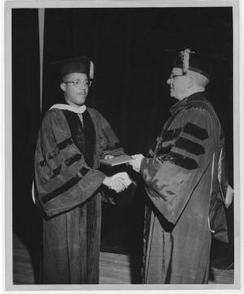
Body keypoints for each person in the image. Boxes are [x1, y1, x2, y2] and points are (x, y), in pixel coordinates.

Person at [129, 49, 233, 284]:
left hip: (183, 221)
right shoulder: (191, 112)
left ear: (188, 80)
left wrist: (143, 165)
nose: (168, 80)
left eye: (173, 76)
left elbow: (177, 172)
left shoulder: (196, 114)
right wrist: (138, 171)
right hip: (180, 214)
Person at [33, 55, 131, 284]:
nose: (83, 87)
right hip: (66, 200)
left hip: (91, 199)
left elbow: (110, 150)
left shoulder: (94, 116)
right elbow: (66, 159)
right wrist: (103, 180)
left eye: (86, 82)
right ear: (62, 86)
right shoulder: (54, 117)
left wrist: (120, 171)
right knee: (64, 259)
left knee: (87, 256)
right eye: (76, 82)